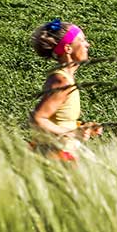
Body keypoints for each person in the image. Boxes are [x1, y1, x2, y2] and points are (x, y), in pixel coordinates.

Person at [29, 18, 102, 160]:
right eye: (82, 40)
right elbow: (38, 118)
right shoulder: (61, 81)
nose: (88, 44)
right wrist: (72, 133)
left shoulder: (67, 78)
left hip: (65, 151)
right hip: (55, 154)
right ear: (68, 48)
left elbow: (60, 119)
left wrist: (83, 128)